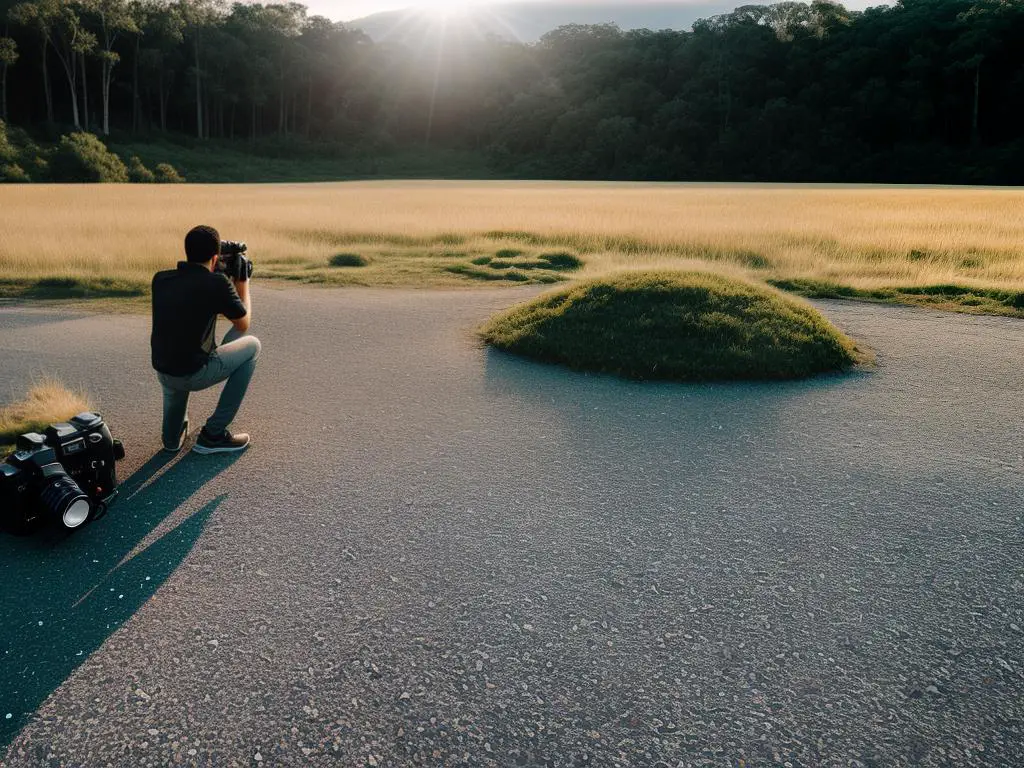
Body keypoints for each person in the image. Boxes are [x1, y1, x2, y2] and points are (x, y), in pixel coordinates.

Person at [151, 225, 261, 454]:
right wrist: (243, 284)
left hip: (166, 372)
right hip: (194, 373)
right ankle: (213, 435)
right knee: (252, 346)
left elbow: (193, 303)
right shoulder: (216, 284)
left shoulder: (160, 279)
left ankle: (172, 440)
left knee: (171, 443)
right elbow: (243, 323)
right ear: (214, 258)